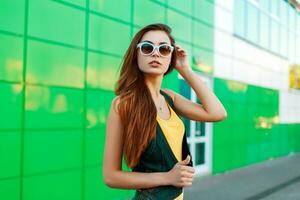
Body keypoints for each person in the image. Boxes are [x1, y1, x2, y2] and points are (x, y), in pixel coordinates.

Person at [103, 23, 227, 200]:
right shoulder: (123, 104)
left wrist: (185, 69)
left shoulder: (170, 98)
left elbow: (218, 113)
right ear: (136, 55)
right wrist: (167, 177)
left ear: (171, 58)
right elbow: (111, 176)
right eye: (147, 47)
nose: (155, 53)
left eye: (164, 49)